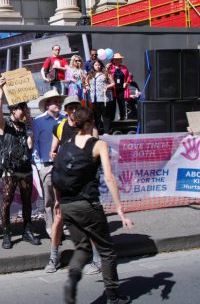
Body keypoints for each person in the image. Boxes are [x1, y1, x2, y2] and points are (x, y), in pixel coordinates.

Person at [53, 107, 134, 304]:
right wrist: (120, 210)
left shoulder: (65, 145)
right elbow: (109, 177)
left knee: (82, 248)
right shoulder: (98, 145)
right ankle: (113, 295)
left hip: (66, 205)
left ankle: (72, 280)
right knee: (106, 250)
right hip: (87, 204)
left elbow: (56, 174)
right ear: (89, 123)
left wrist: (58, 202)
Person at [44, 96, 101, 274]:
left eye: (76, 108)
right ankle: (54, 258)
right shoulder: (60, 127)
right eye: (69, 108)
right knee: (59, 217)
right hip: (65, 180)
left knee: (89, 221)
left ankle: (97, 258)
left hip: (84, 182)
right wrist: (55, 155)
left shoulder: (89, 128)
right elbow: (53, 151)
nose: (73, 111)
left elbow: (96, 152)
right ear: (66, 110)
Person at [0, 76, 41, 249]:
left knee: (27, 200)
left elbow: (29, 146)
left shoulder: (26, 127)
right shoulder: (5, 125)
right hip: (9, 168)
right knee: (6, 199)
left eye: (25, 108)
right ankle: (6, 234)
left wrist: (29, 130)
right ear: (13, 110)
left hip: (25, 168)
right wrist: (1, 92)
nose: (24, 111)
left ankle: (27, 231)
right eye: (21, 108)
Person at [31, 89, 66, 240]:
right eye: (54, 101)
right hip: (47, 164)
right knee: (49, 199)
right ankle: (51, 227)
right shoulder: (38, 122)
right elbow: (35, 145)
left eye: (59, 101)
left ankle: (64, 226)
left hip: (64, 165)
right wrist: (40, 167)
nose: (58, 103)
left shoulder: (65, 120)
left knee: (64, 198)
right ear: (47, 105)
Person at [86, 59, 115, 134]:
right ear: (93, 66)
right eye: (96, 65)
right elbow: (86, 83)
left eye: (99, 65)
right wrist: (87, 87)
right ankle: (97, 132)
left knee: (105, 115)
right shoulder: (90, 75)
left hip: (103, 98)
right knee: (96, 116)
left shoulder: (105, 73)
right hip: (94, 98)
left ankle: (107, 131)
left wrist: (107, 87)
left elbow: (113, 83)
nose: (97, 66)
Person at [107, 53, 132, 121]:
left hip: (121, 89)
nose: (118, 60)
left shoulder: (124, 68)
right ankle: (112, 119)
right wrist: (107, 68)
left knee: (121, 104)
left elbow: (129, 77)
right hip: (113, 89)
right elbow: (106, 76)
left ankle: (122, 118)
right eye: (116, 59)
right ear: (113, 60)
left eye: (119, 59)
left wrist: (126, 83)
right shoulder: (110, 68)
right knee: (112, 105)